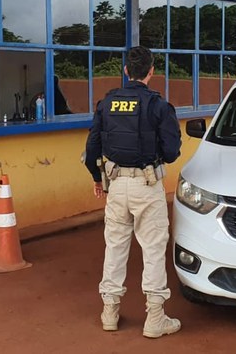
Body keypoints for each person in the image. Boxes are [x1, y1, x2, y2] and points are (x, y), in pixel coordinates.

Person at [84, 46, 182, 338]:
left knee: (115, 247)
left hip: (116, 186)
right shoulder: (159, 106)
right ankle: (155, 318)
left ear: (126, 71)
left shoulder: (107, 103)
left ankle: (110, 312)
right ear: (151, 71)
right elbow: (172, 152)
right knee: (153, 250)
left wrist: (97, 178)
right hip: (147, 185)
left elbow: (91, 148)